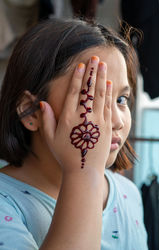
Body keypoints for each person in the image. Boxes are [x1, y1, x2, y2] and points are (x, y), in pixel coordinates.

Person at [0, 18, 148, 250]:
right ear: (30, 111)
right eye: (90, 101)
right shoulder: (5, 205)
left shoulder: (128, 193)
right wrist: (84, 171)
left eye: (121, 100)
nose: (117, 121)